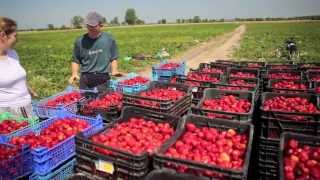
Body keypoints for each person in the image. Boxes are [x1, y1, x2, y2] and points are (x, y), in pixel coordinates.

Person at [69, 11, 122, 90]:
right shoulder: (80, 41)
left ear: (101, 25)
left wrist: (114, 70)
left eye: (94, 25)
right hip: (86, 77)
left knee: (104, 100)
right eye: (89, 25)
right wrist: (74, 73)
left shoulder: (109, 39)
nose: (91, 28)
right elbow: (75, 60)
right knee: (85, 101)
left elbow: (113, 58)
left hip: (103, 77)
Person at [0, 17, 37, 118]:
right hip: (7, 113)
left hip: (25, 107)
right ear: (3, 35)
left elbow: (17, 74)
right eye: (15, 36)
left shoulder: (12, 53)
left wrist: (28, 89)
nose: (17, 40)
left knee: (32, 133)